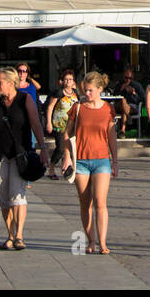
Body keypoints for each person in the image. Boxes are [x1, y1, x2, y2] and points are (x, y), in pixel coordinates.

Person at [0, 67, 49, 250]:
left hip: (20, 154)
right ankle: (9, 235)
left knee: (17, 195)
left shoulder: (25, 100)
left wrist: (43, 148)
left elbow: (35, 124)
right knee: (4, 197)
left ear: (10, 82)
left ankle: (19, 236)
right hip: (0, 154)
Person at [63, 71, 119, 254]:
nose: (87, 94)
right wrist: (67, 157)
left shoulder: (108, 109)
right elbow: (66, 134)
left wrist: (115, 160)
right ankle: (91, 241)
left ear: (100, 89)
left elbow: (111, 135)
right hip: (81, 160)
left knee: (100, 202)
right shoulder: (78, 108)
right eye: (85, 91)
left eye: (90, 91)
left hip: (102, 159)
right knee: (85, 202)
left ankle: (102, 242)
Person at [45, 69, 78, 179]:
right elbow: (50, 107)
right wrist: (49, 122)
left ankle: (68, 168)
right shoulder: (58, 93)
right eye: (66, 79)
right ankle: (52, 167)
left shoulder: (75, 93)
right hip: (59, 124)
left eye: (70, 79)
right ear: (62, 81)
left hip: (72, 125)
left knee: (72, 147)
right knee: (60, 148)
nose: (68, 81)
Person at [116, 67, 144, 137]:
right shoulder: (119, 84)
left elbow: (142, 98)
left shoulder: (137, 85)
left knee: (124, 111)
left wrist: (134, 94)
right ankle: (128, 117)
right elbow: (114, 97)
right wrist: (121, 89)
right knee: (123, 100)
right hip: (120, 106)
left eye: (130, 78)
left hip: (132, 107)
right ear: (123, 77)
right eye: (126, 78)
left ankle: (122, 130)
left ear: (132, 78)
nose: (128, 80)